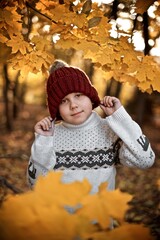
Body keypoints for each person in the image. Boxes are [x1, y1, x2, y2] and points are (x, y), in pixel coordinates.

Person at [27, 60, 155, 194]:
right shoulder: (50, 138)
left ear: (90, 96)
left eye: (78, 95)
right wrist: (43, 142)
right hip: (61, 215)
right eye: (64, 101)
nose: (73, 105)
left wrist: (120, 118)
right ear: (56, 109)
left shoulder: (110, 131)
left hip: (101, 214)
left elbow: (145, 160)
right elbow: (35, 185)